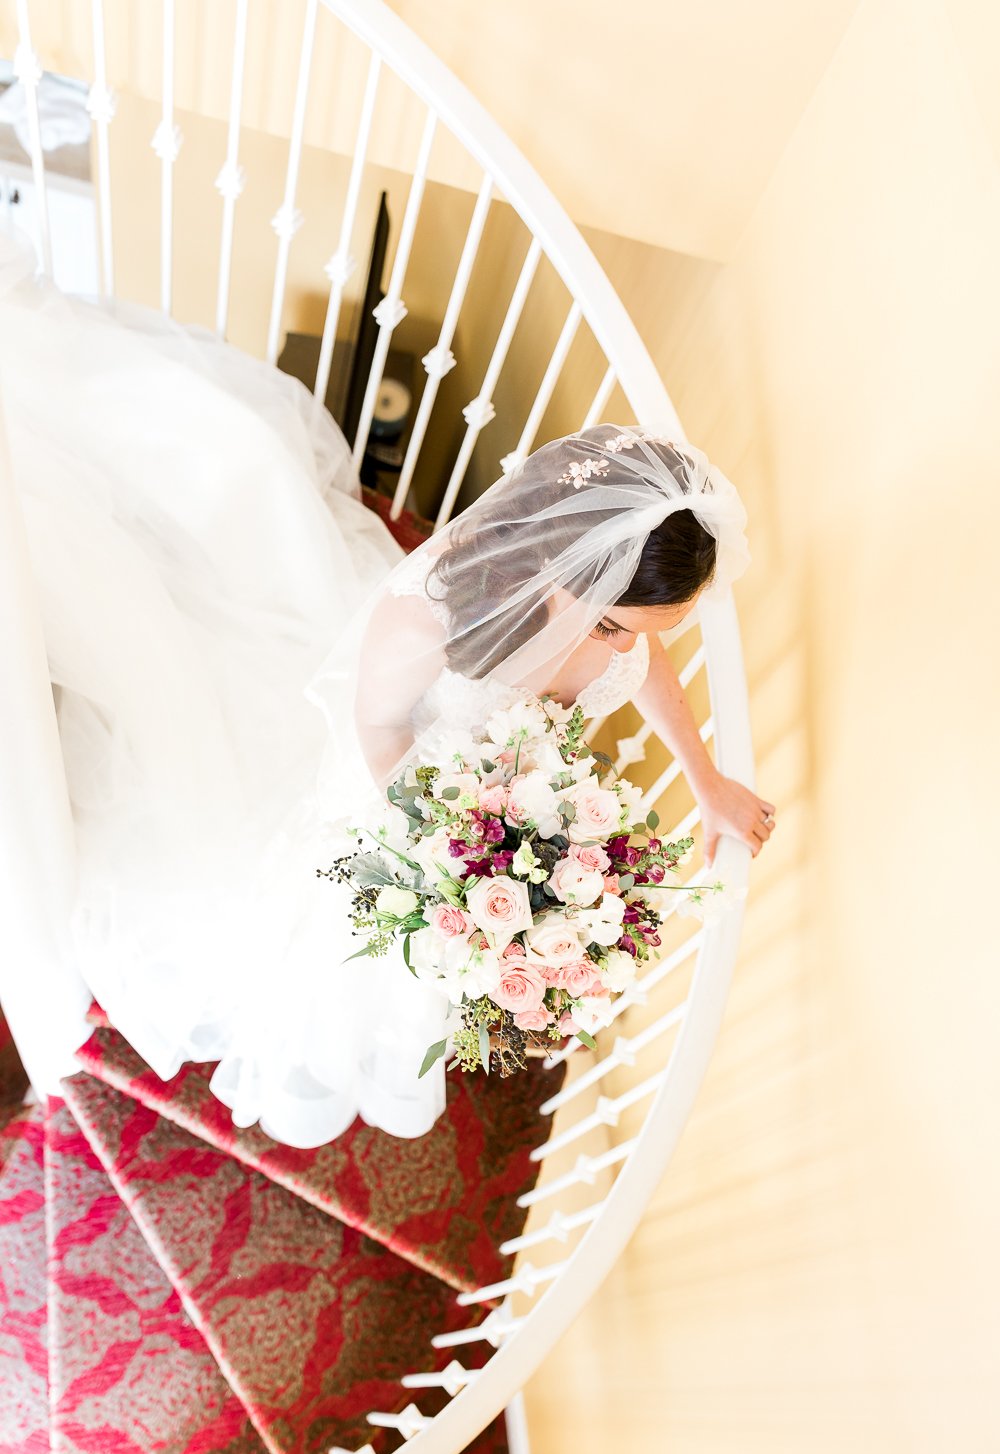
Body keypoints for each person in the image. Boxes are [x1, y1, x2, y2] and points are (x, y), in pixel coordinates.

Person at [0, 227, 773, 1148]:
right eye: (610, 623)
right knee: (343, 952)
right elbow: (374, 728)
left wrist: (705, 778)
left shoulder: (611, 634)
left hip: (468, 815)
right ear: (565, 567)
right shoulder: (430, 622)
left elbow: (639, 674)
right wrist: (455, 843)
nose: (620, 648)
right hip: (389, 801)